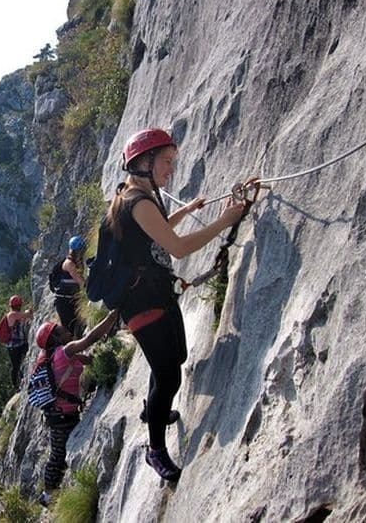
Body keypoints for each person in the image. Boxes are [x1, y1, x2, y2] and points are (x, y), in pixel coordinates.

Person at [106, 128, 245, 482]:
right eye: (166, 161)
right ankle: (155, 449)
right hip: (143, 302)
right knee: (168, 373)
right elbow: (177, 248)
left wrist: (184, 211)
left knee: (175, 358)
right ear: (143, 162)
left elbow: (154, 232)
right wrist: (224, 221)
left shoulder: (133, 197)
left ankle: (153, 407)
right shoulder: (138, 202)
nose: (171, 169)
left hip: (154, 295)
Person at [33, 310, 119, 507]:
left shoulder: (57, 356)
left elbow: (87, 359)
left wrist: (102, 355)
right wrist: (110, 319)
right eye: (59, 329)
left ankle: (52, 493)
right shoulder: (65, 351)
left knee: (59, 454)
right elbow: (90, 338)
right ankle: (47, 495)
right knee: (57, 455)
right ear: (55, 337)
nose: (65, 328)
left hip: (59, 415)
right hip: (63, 416)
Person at [53, 235, 87, 337]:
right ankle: (68, 351)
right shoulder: (69, 264)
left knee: (76, 328)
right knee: (69, 331)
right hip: (64, 303)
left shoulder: (76, 262)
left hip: (70, 300)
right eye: (81, 250)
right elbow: (81, 282)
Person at [4, 295, 33, 388]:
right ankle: (15, 385)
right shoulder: (12, 315)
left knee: (25, 361)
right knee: (16, 365)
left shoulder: (16, 315)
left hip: (21, 343)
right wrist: (29, 310)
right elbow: (26, 315)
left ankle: (23, 379)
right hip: (13, 346)